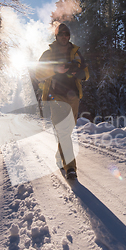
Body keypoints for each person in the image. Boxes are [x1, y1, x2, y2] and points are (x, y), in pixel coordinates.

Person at [35, 23, 89, 179]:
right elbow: (38, 73)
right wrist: (55, 70)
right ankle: (70, 168)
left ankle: (61, 157)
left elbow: (86, 74)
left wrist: (78, 72)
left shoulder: (77, 54)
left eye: (66, 34)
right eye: (61, 34)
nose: (64, 37)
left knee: (67, 130)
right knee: (63, 131)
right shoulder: (48, 54)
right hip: (54, 96)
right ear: (56, 36)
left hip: (73, 96)